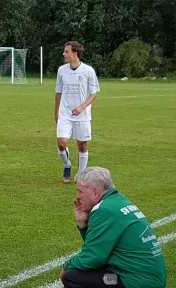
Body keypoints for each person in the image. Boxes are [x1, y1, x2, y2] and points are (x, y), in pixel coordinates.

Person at [60, 167, 167, 288]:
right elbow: (100, 247)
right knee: (95, 268)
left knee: (72, 276)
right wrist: (83, 224)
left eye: (80, 191)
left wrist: (66, 267)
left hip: (140, 285)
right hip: (151, 283)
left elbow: (92, 258)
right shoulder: (119, 201)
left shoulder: (104, 210)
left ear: (95, 192)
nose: (77, 197)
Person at [55, 41, 100, 183]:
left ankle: (81, 175)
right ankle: (67, 165)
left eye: (66, 51)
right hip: (65, 113)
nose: (64, 54)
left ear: (74, 54)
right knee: (62, 143)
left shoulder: (88, 71)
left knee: (82, 144)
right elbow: (58, 92)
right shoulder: (62, 70)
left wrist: (81, 107)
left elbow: (93, 94)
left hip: (82, 115)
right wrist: (56, 111)